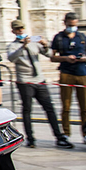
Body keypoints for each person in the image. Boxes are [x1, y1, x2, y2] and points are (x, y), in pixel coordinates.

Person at [8, 20, 72, 148]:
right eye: (18, 29)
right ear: (13, 31)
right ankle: (30, 138)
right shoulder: (13, 46)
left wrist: (45, 45)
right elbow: (11, 58)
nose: (20, 30)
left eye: (22, 28)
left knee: (49, 108)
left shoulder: (34, 43)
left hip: (39, 79)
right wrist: (23, 46)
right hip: (25, 81)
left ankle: (59, 136)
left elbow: (48, 54)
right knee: (27, 109)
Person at [51, 11, 86, 140]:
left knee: (84, 107)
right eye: (70, 24)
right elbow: (52, 57)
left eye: (74, 24)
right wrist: (65, 58)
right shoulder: (58, 37)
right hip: (66, 73)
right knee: (66, 106)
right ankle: (66, 134)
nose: (72, 26)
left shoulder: (82, 37)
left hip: (82, 73)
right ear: (65, 23)